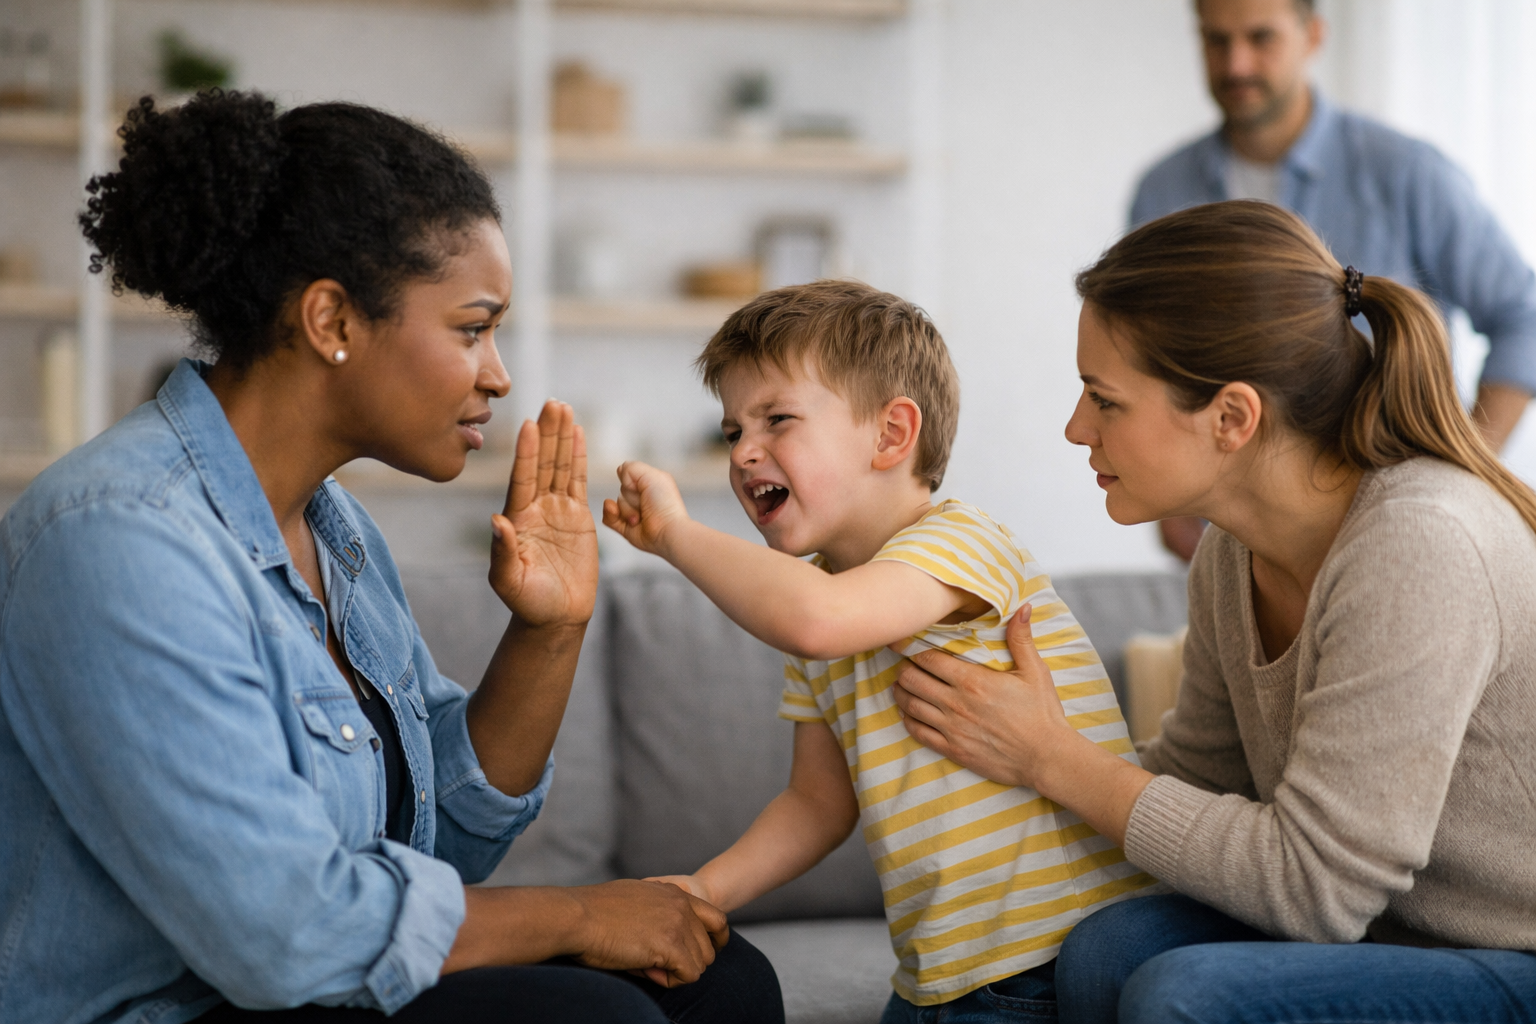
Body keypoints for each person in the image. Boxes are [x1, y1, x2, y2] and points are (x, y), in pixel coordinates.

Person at [0, 91, 783, 1024]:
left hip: (301, 991)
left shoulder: (336, 532)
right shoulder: (119, 540)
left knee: (723, 981)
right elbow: (286, 937)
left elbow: (438, 845)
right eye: (471, 327)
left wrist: (551, 630)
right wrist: (581, 912)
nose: (498, 373)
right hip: (190, 1006)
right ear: (332, 321)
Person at [886, 200, 1536, 1023]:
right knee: (1103, 948)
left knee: (1181, 996)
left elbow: (1315, 891)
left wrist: (1055, 760)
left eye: (1104, 399)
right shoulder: (1231, 552)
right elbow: (1200, 781)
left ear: (1232, 417)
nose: (1074, 427)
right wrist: (1005, 760)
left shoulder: (1420, 544)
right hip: (1390, 928)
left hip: (1512, 952)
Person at [601, 280, 1158, 1023]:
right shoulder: (815, 602)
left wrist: (675, 536)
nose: (745, 452)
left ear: (892, 436)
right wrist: (705, 891)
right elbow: (816, 804)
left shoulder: (960, 543)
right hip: (938, 977)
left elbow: (819, 620)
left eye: (778, 420)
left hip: (1046, 963)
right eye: (734, 430)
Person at [1134, 0, 1536, 560]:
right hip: (1236, 537)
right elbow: (1150, 359)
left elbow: (1525, 316)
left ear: (1314, 36)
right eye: (1216, 40)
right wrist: (1175, 497)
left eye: (1261, 37)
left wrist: (1461, 471)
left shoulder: (1405, 172)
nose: (1237, 64)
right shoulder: (1161, 192)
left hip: (1393, 527)